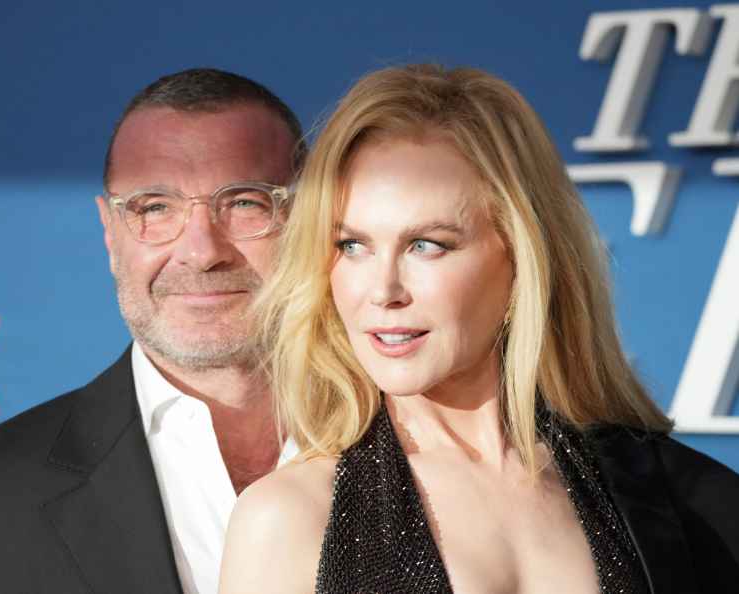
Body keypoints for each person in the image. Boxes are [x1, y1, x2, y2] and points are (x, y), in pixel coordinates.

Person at [219, 64, 739, 594]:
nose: (382, 290)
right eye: (352, 246)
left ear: (521, 259)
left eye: (426, 245)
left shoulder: (678, 500)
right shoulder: (288, 519)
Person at [0, 68, 304, 594]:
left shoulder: (418, 451)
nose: (202, 251)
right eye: (155, 208)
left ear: (308, 217)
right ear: (109, 231)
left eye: (244, 202)